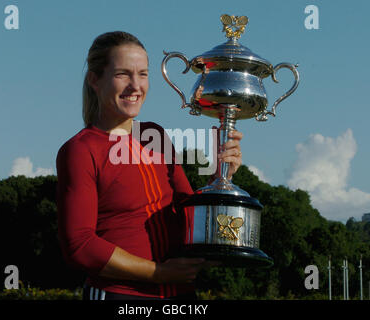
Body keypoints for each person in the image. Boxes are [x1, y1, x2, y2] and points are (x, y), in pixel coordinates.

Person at [56, 31, 243, 300]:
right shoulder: (80, 150)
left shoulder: (154, 137)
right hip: (120, 296)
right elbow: (80, 245)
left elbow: (187, 215)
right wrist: (159, 273)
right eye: (123, 74)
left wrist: (221, 176)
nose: (135, 85)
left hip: (181, 295)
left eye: (143, 74)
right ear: (94, 79)